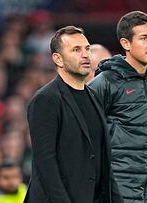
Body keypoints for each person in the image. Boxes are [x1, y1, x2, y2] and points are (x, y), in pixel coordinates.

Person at [24, 25, 123, 203]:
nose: (85, 55)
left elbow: (103, 164)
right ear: (58, 59)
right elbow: (46, 165)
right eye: (76, 50)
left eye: (86, 48)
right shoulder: (45, 100)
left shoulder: (94, 97)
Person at [88, 11, 147, 203]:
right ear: (126, 44)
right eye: (143, 38)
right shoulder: (105, 82)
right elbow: (86, 135)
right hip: (116, 191)